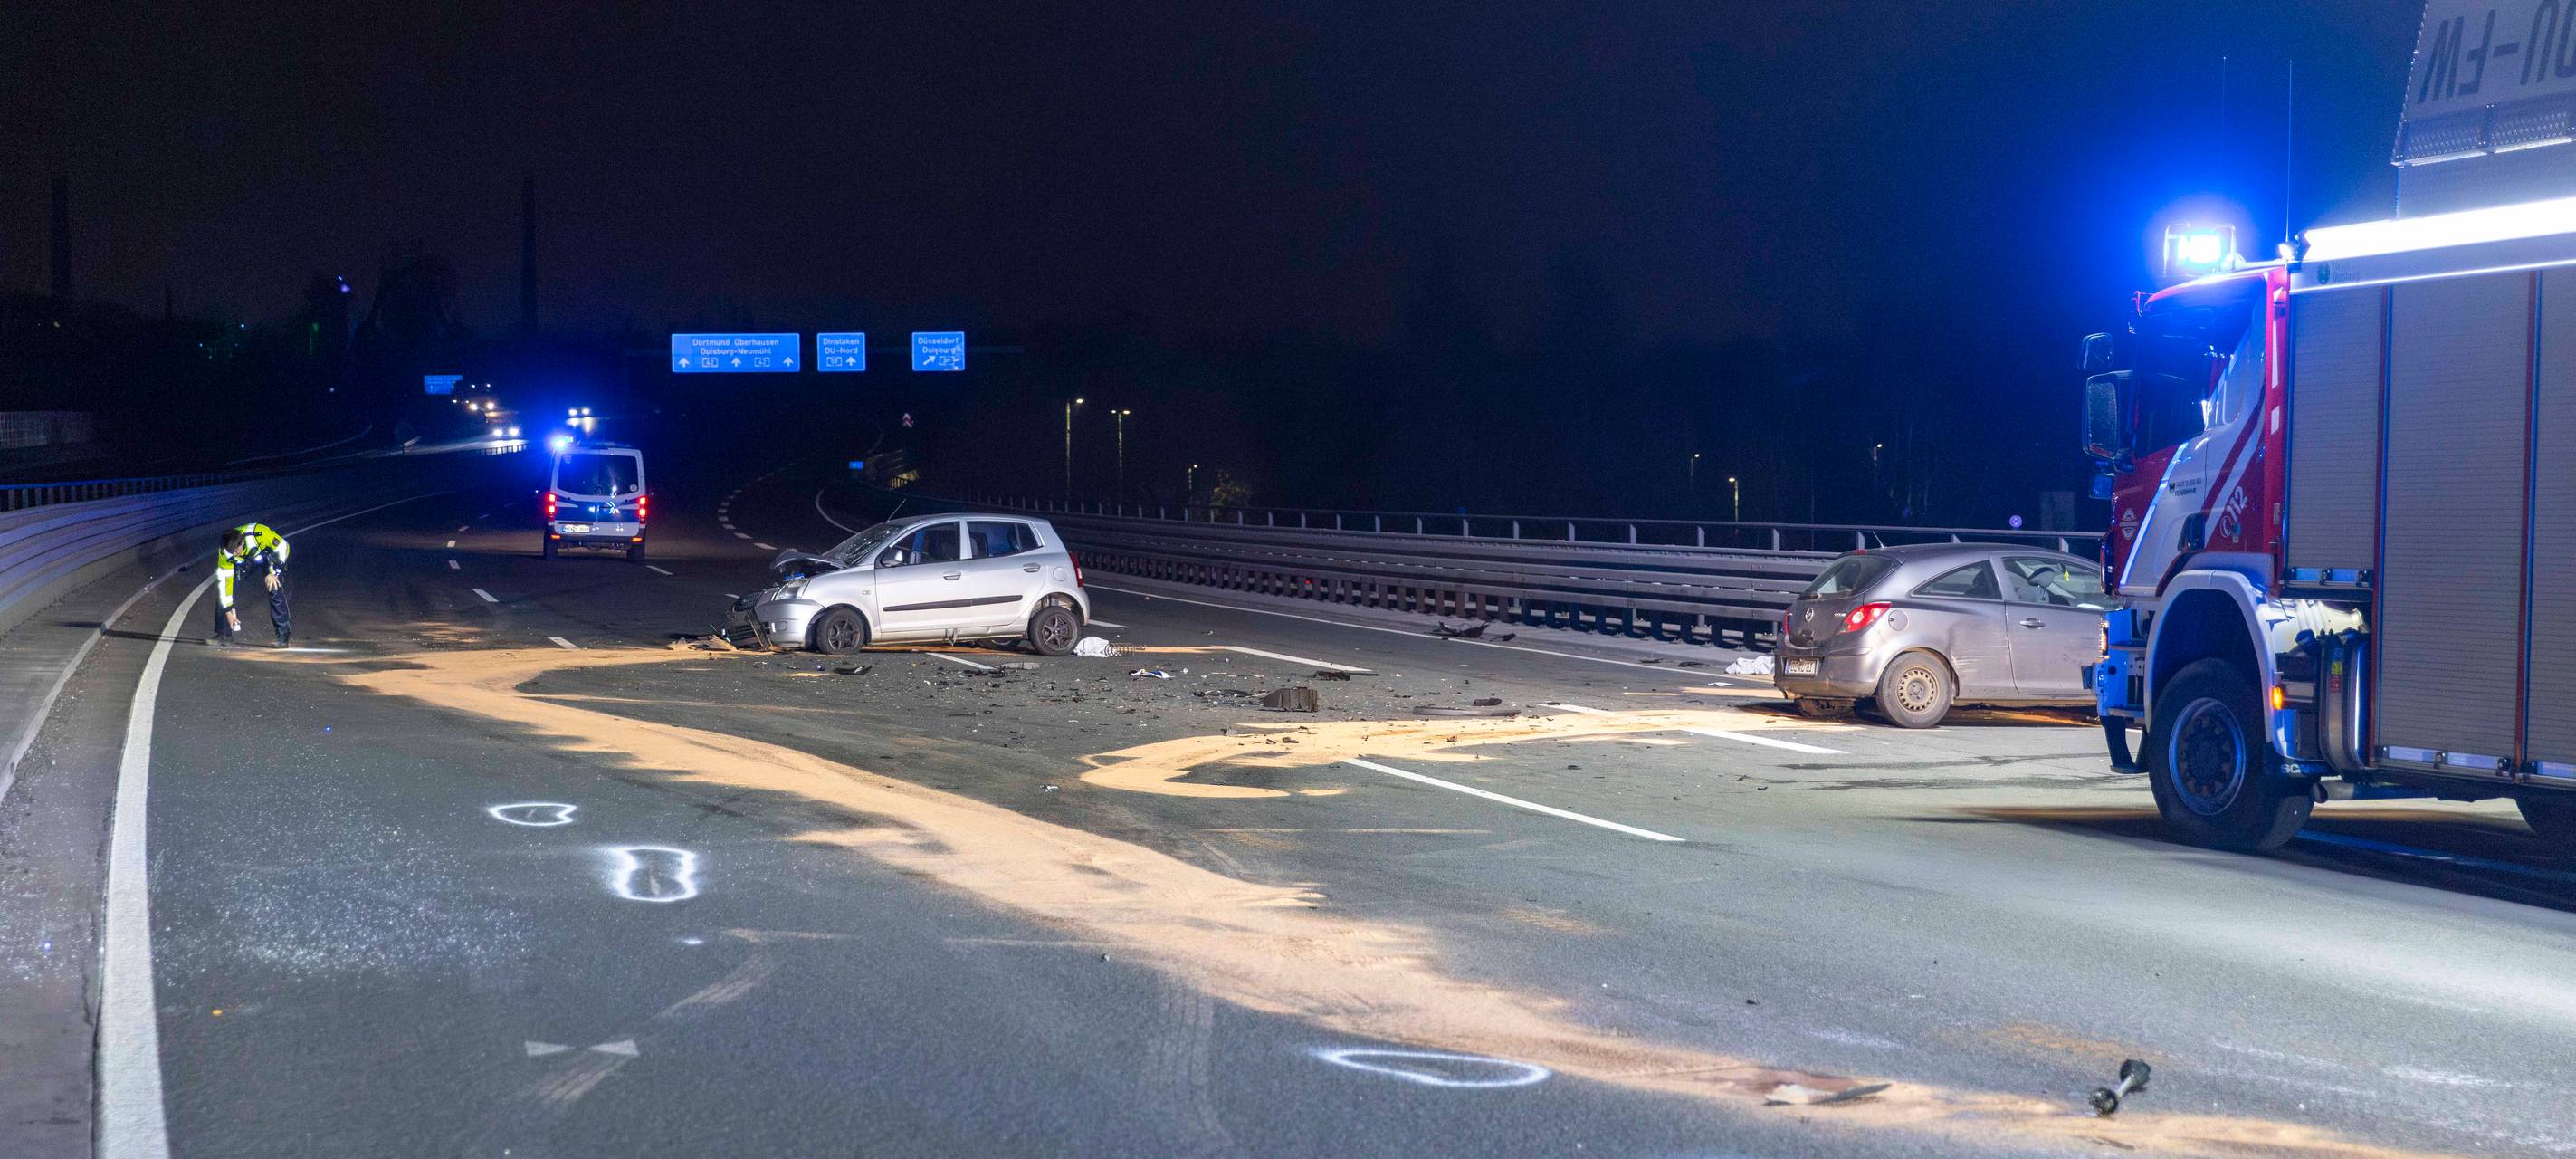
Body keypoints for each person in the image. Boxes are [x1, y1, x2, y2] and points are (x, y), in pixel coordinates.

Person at [213, 523, 291, 648]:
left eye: (235, 551)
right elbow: (226, 582)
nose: (233, 554)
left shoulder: (260, 533)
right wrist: (228, 610)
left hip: (269, 558)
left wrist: (274, 573)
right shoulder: (225, 552)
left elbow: (284, 547)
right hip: (245, 563)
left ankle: (283, 635)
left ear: (241, 543)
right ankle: (223, 634)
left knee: (274, 588)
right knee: (224, 591)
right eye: (230, 552)